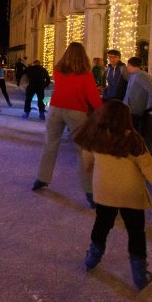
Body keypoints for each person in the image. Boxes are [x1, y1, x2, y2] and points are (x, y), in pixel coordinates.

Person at [73, 100, 152, 291]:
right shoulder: (133, 140)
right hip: (130, 194)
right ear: (126, 118)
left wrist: (89, 166)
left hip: (105, 191)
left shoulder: (97, 137)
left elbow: (86, 157)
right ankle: (139, 273)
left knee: (102, 224)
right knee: (136, 231)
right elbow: (149, 168)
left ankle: (92, 257)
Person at [32, 43, 102, 208]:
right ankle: (90, 192)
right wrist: (101, 111)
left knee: (50, 145)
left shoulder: (58, 69)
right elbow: (91, 95)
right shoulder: (85, 73)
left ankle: (42, 179)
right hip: (76, 112)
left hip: (55, 109)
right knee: (83, 151)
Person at [123, 57, 152, 133]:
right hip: (130, 109)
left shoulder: (141, 75)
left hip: (136, 110)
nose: (127, 67)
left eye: (127, 65)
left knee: (134, 131)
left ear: (129, 65)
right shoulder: (133, 75)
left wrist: (150, 107)